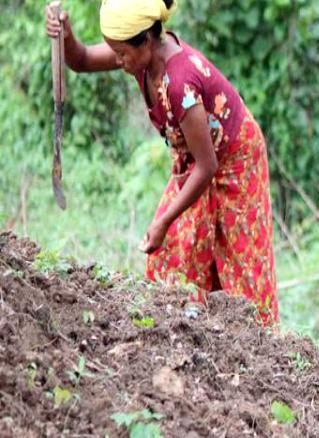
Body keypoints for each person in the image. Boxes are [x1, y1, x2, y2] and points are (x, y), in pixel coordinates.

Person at [45, 0, 278, 324]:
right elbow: (82, 59)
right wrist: (66, 36)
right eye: (115, 51)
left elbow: (207, 166)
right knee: (175, 250)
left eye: (122, 53)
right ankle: (191, 327)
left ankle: (259, 343)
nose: (118, 60)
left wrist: (163, 221)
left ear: (147, 39)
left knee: (242, 262)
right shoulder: (142, 58)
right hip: (195, 160)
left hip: (234, 161)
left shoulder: (181, 82)